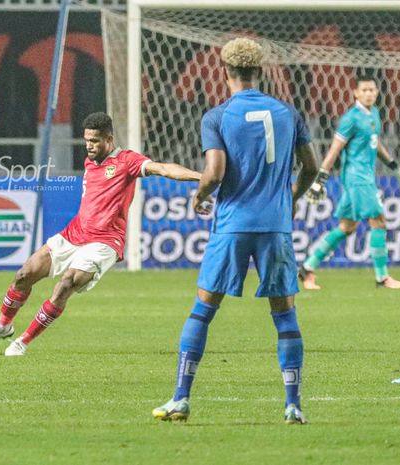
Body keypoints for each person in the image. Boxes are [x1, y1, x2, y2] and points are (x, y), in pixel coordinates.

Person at [151, 38, 318, 424]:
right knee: (285, 314)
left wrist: (199, 195)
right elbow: (310, 168)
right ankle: (293, 404)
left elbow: (215, 172)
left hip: (233, 224)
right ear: (260, 71)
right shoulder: (288, 113)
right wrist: (291, 199)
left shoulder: (217, 116)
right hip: (275, 227)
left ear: (224, 71)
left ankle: (181, 398)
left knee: (204, 309)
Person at [0, 112, 201, 356]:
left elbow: (163, 168)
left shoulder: (126, 161)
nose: (89, 146)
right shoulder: (91, 161)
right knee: (24, 274)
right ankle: (3, 326)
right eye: (87, 141)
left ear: (109, 139)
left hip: (104, 242)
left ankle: (22, 342)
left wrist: (201, 176)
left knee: (66, 284)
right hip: (74, 233)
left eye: (95, 141)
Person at [299, 75, 400, 290]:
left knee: (347, 227)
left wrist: (394, 166)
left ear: (377, 92)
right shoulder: (351, 118)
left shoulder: (374, 114)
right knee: (378, 221)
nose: (369, 93)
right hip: (357, 178)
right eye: (365, 90)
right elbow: (335, 149)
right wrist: (321, 178)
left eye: (372, 90)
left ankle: (307, 268)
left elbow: (375, 143)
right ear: (356, 93)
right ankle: (382, 277)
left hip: (363, 177)